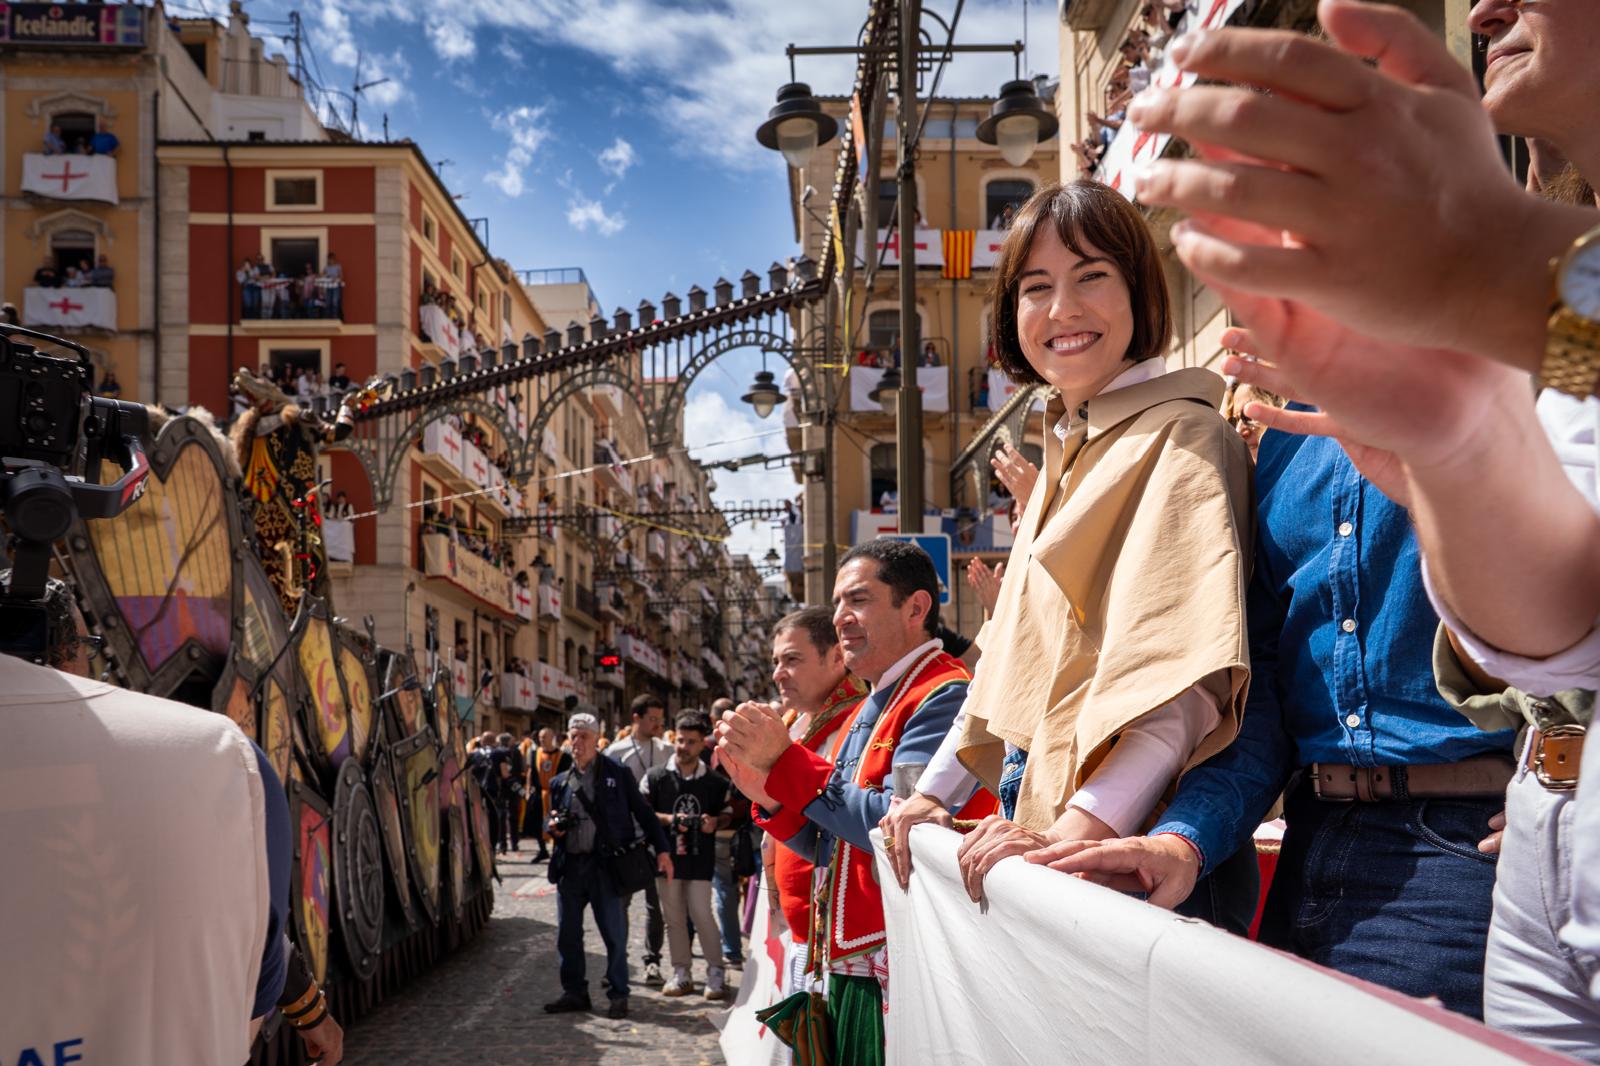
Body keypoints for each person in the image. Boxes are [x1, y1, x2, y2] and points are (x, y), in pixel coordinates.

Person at [879, 180, 1258, 936]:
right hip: (1057, 829)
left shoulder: (1184, 434)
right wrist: (932, 794)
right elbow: (1008, 663)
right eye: (1036, 288)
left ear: (1139, 292)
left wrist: (1075, 834)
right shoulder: (1070, 448)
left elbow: (1184, 683)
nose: (1062, 310)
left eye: (1091, 277)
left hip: (1128, 855)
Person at [0, 571, 342, 1065]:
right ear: (70, 651)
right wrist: (307, 1012)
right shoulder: (220, 752)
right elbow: (256, 941)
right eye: (89, 647)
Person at [718, 539, 975, 1065]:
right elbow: (830, 846)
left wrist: (785, 764)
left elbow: (899, 828)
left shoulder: (943, 691)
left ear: (916, 608)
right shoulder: (875, 700)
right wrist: (771, 799)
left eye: (858, 600)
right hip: (853, 960)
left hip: (898, 964)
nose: (840, 618)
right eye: (838, 603)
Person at [758, 606, 870, 1008]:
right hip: (796, 927)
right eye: (775, 661)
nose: (778, 673)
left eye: (792, 659)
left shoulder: (858, 723)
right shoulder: (792, 723)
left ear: (836, 656)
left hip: (833, 937)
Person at [544, 713, 671, 1020]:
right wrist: (552, 826)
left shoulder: (617, 773)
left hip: (605, 866)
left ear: (596, 741)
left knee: (613, 934)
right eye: (573, 736)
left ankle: (619, 993)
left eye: (584, 736)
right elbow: (550, 818)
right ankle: (574, 992)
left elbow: (644, 814)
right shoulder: (560, 781)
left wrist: (663, 850)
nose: (577, 742)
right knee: (568, 934)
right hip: (570, 866)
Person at [642, 712, 733, 1000]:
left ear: (702, 743)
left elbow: (729, 812)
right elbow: (643, 813)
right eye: (680, 740)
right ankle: (681, 972)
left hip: (700, 858)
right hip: (666, 857)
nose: (684, 747)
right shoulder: (655, 777)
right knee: (673, 917)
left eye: (691, 742)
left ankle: (716, 971)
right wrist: (670, 820)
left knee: (701, 913)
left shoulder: (715, 782)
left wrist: (714, 822)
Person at [603, 694, 671, 985]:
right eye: (652, 718)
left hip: (657, 838)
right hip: (625, 841)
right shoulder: (615, 752)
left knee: (656, 906)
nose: (657, 724)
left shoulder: (666, 750)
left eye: (660, 719)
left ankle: (652, 961)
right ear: (636, 718)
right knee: (619, 905)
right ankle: (616, 963)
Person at [706, 695, 752, 968]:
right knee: (737, 886)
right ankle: (738, 945)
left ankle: (732, 949)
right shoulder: (747, 743)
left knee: (724, 888)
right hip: (745, 826)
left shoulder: (711, 749)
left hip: (723, 828)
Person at [529, 727, 571, 863]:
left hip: (555, 795)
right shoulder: (535, 754)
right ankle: (542, 850)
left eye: (544, 737)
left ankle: (555, 850)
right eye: (540, 737)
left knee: (555, 821)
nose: (541, 739)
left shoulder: (563, 757)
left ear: (552, 738)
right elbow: (531, 772)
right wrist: (529, 789)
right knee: (536, 822)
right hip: (539, 793)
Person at [323, 253, 344, 319]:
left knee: (335, 302)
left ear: (334, 259)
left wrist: (336, 279)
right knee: (328, 302)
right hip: (328, 287)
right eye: (329, 259)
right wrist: (326, 276)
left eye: (331, 259)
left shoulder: (338, 266)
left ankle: (335, 318)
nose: (330, 260)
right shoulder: (326, 268)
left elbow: (341, 277)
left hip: (336, 287)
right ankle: (328, 318)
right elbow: (322, 276)